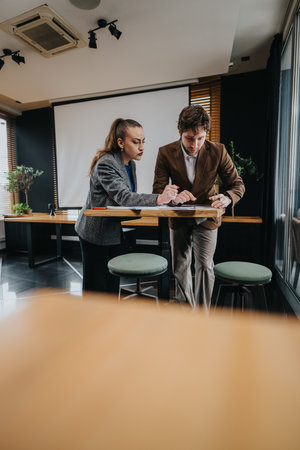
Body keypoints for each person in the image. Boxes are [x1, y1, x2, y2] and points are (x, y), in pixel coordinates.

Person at [75, 118, 194, 293]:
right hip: (95, 233)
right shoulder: (107, 163)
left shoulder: (130, 164)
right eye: (136, 142)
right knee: (96, 289)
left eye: (143, 141)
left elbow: (126, 199)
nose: (142, 147)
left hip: (113, 231)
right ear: (121, 142)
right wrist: (159, 198)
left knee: (112, 286)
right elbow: (125, 197)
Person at [153, 105, 245, 309]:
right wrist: (173, 197)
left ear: (206, 134)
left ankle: (202, 318)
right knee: (180, 267)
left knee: (204, 266)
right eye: (189, 138)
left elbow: (238, 185)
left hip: (207, 217)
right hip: (178, 216)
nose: (195, 144)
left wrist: (228, 198)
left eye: (200, 138)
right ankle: (186, 312)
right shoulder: (165, 153)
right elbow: (158, 191)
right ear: (179, 133)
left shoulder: (218, 151)